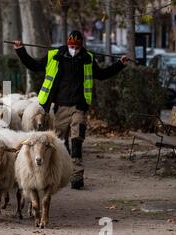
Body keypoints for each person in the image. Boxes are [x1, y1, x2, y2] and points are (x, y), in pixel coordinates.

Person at [13, 30, 129, 189]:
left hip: (79, 107)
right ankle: (61, 173)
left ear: (81, 45)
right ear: (67, 44)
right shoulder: (54, 55)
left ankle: (77, 176)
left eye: (77, 46)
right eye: (71, 46)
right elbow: (34, 65)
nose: (74, 49)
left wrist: (119, 64)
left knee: (77, 141)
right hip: (61, 107)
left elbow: (101, 74)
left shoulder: (87, 59)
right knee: (60, 143)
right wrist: (21, 51)